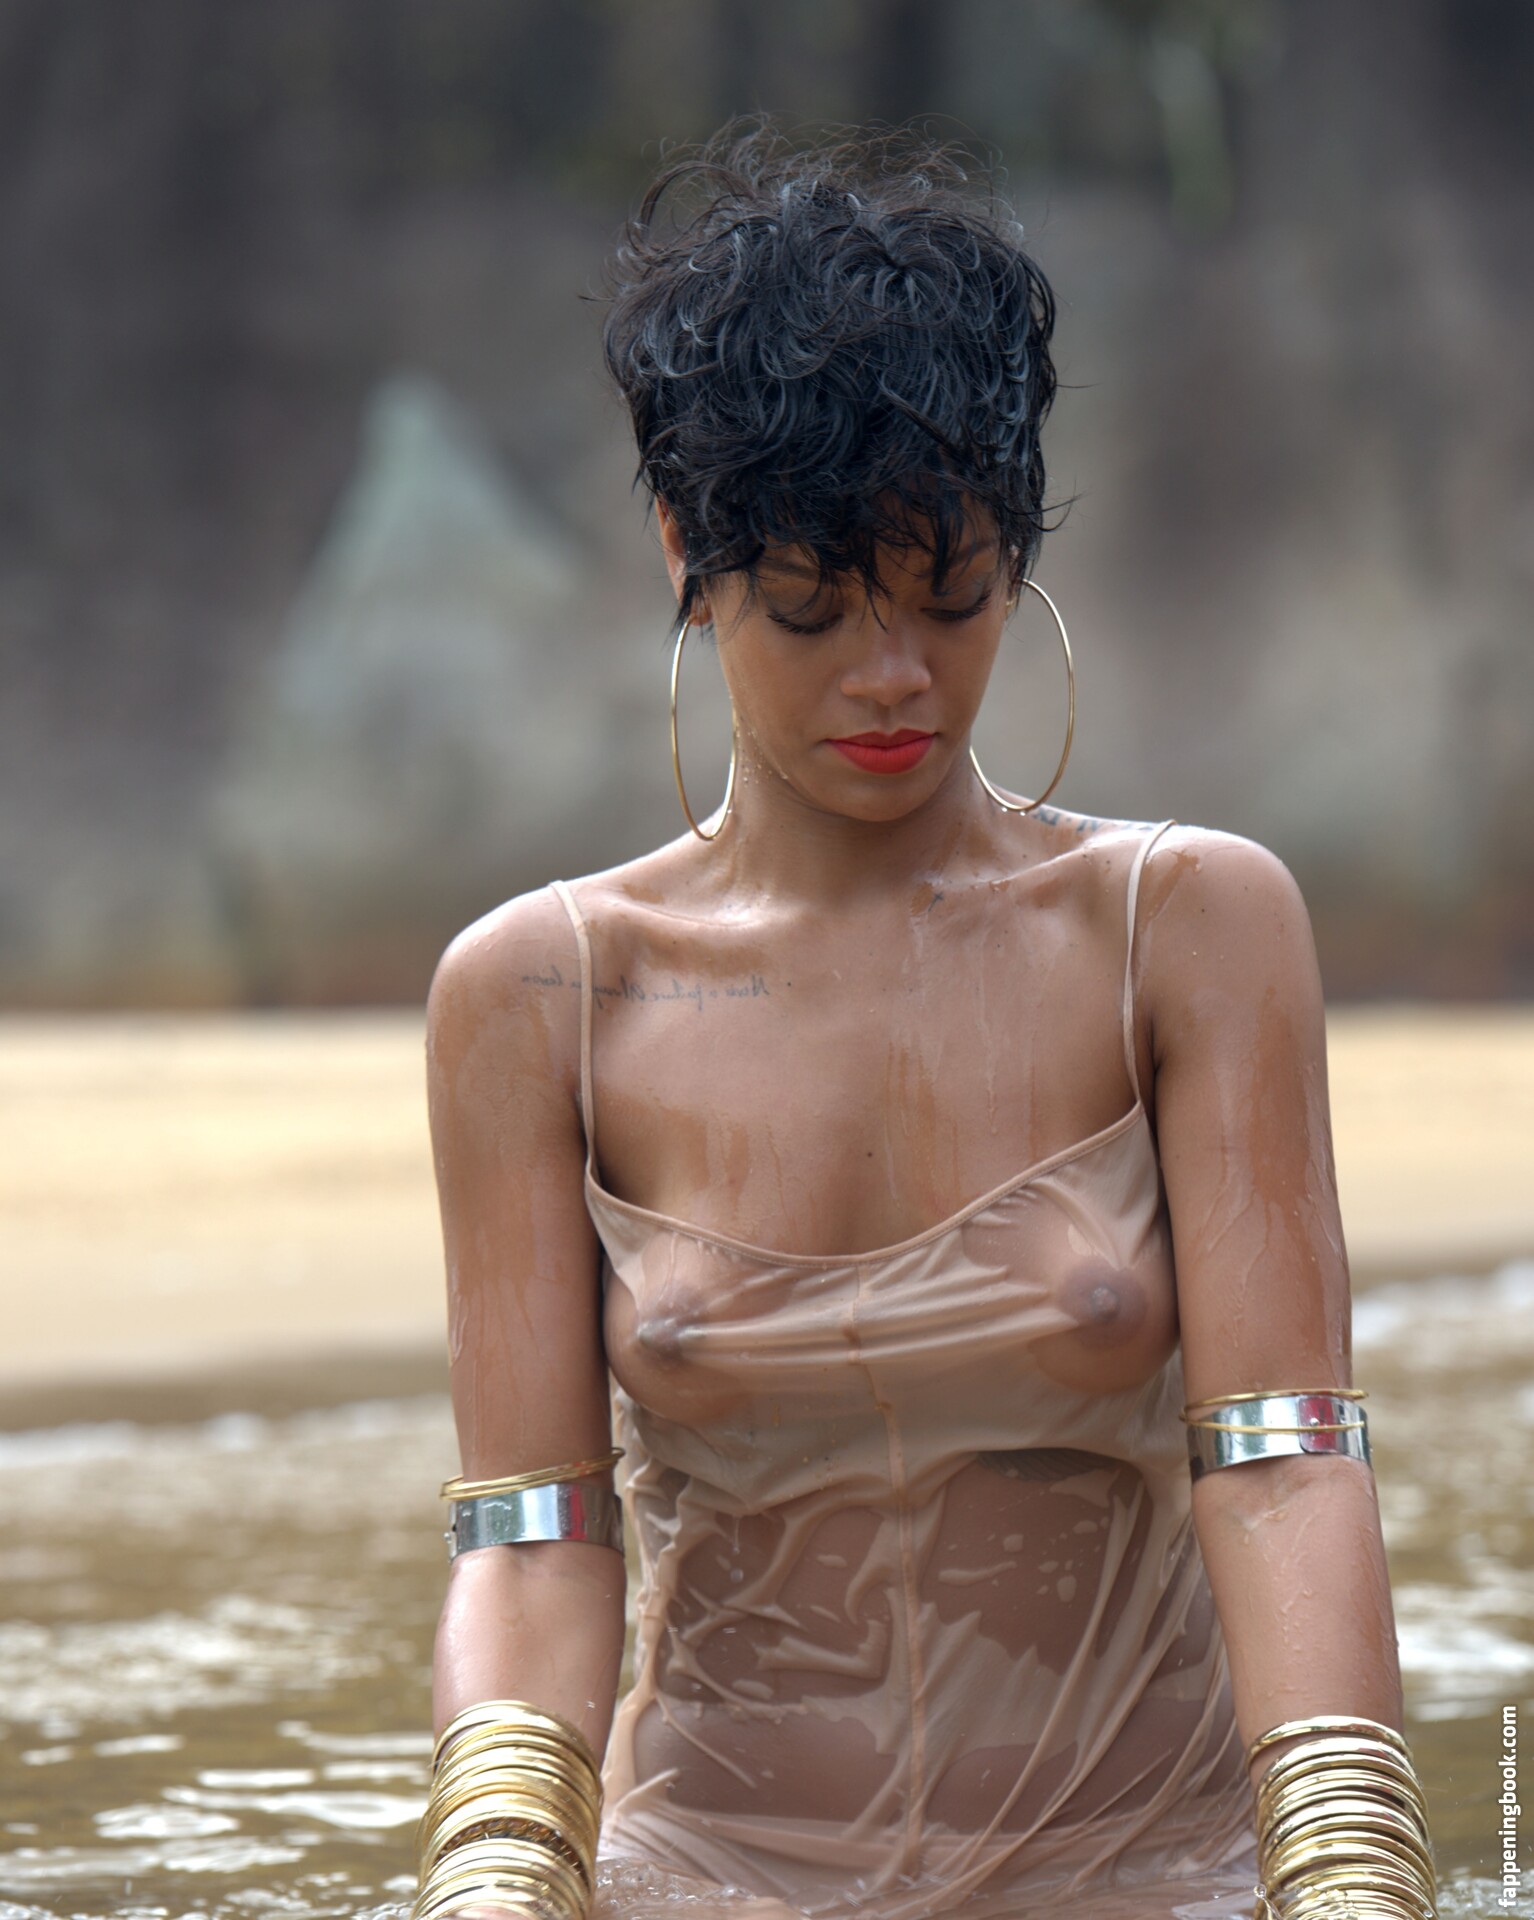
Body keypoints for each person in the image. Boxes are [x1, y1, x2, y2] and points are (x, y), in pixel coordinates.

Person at [413, 126, 1438, 1920]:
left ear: (1017, 551)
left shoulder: (1184, 929)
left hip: (1162, 1869)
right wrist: (492, 1879)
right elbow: (534, 1540)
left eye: (950, 592)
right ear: (687, 549)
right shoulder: (537, 994)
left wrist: (1349, 1871)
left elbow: (1282, 1468)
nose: (891, 675)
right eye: (812, 608)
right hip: (701, 1878)